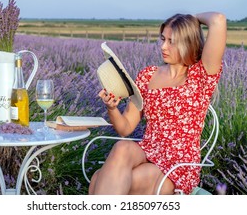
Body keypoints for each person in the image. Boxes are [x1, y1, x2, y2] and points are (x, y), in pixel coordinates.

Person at [89, 12, 227, 195]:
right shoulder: (147, 75)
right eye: (162, 39)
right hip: (147, 151)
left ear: (188, 43)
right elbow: (125, 128)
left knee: (99, 178)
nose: (163, 46)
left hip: (176, 166)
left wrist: (190, 20)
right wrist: (111, 108)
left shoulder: (200, 75)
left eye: (172, 41)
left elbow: (218, 20)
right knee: (121, 146)